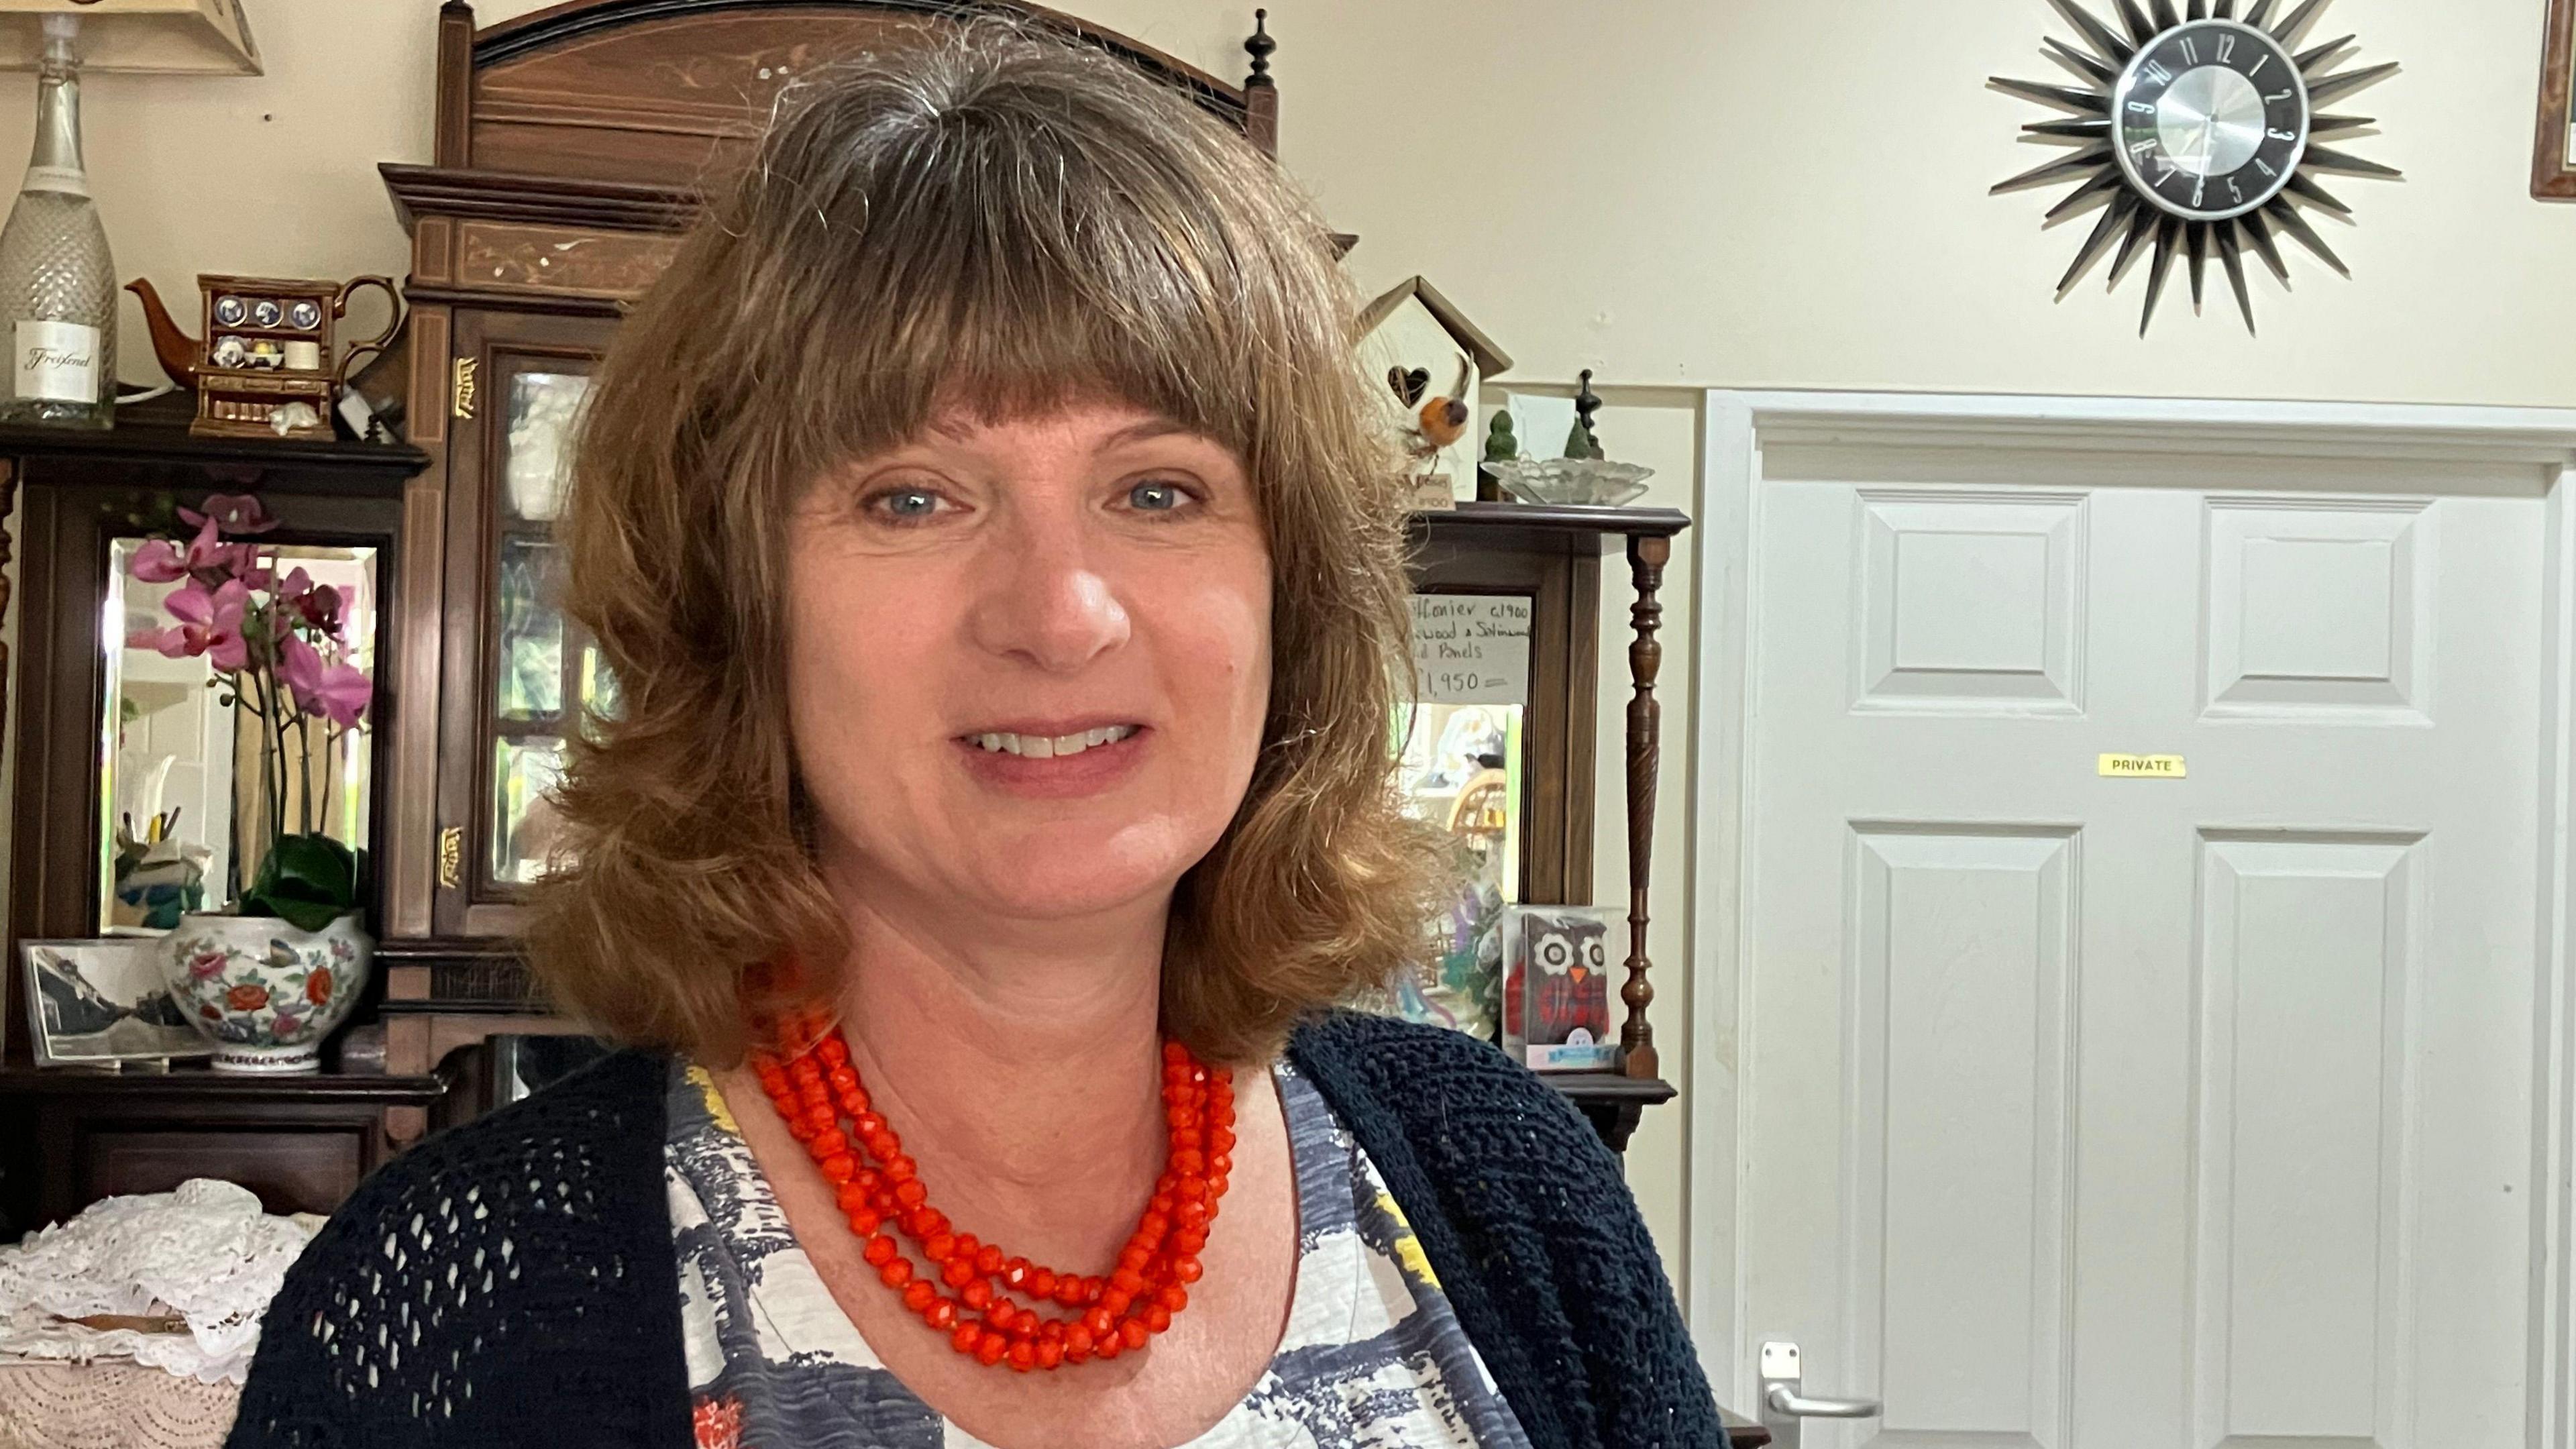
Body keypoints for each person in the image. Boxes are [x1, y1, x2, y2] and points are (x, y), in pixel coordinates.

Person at [225, 23, 1721, 1449]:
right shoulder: (447, 1309)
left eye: (1158, 490)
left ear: (1293, 592)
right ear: (735, 608)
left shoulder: (1515, 1189)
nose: (1060, 615)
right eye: (912, 497)